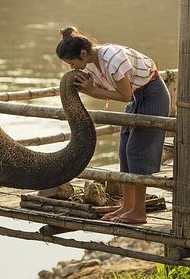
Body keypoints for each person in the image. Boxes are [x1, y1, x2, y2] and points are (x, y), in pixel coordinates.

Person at [56, 26, 170, 224]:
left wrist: (91, 91)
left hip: (152, 95)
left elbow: (125, 95)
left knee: (137, 152)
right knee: (125, 151)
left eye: (72, 63)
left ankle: (139, 211)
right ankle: (127, 206)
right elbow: (114, 90)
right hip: (137, 97)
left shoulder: (112, 59)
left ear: (83, 53)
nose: (72, 67)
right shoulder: (90, 63)